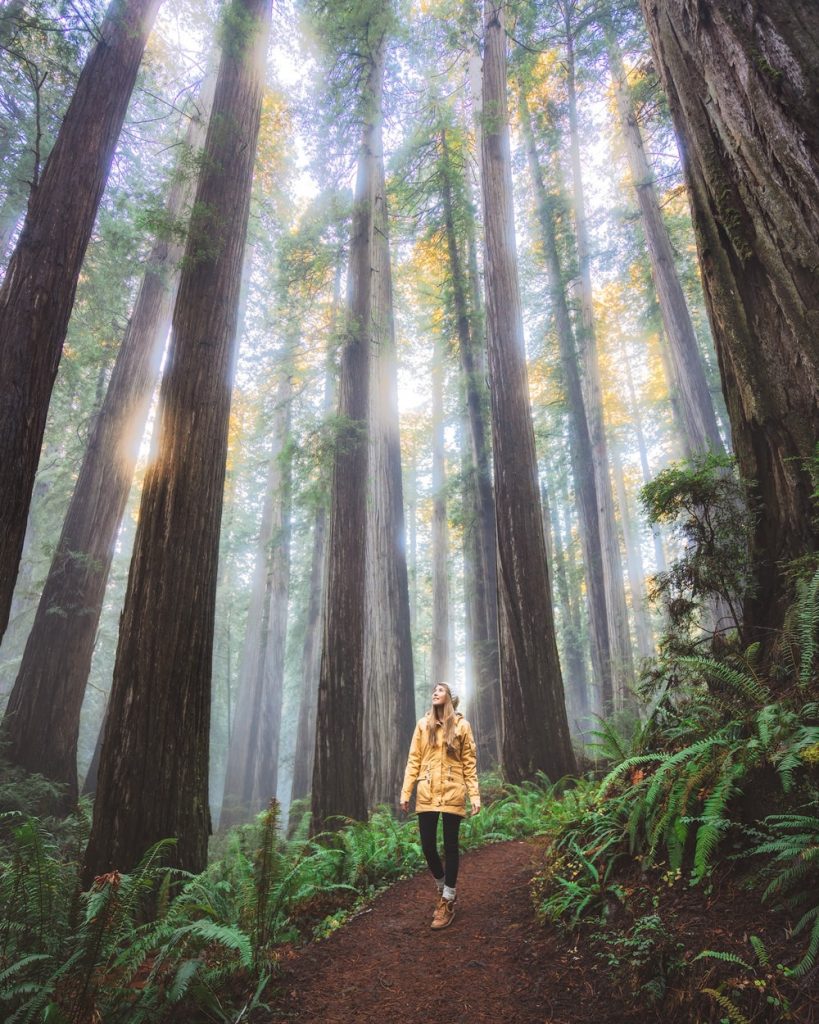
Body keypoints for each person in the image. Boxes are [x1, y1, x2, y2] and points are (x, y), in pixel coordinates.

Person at [400, 682, 481, 930]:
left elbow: (469, 763)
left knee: (451, 846)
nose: (435, 693)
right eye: (433, 690)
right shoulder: (423, 725)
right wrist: (406, 792)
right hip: (426, 791)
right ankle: (443, 886)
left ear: (449, 697)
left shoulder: (462, 726)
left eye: (440, 690)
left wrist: (475, 796)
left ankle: (446, 901)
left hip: (453, 790)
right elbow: (413, 759)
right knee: (427, 846)